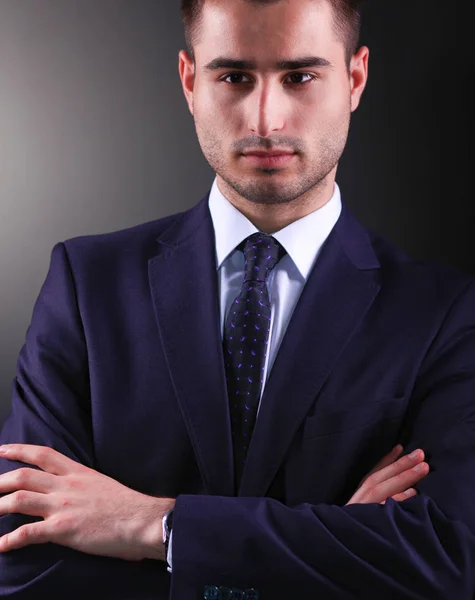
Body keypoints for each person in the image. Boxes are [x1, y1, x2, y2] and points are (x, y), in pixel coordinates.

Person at [0, 0, 474, 597]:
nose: (265, 118)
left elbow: (446, 565)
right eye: (233, 77)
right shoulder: (85, 284)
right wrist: (341, 540)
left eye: (300, 76)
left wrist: (158, 527)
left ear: (354, 79)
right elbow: (20, 561)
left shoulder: (444, 314)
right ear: (189, 80)